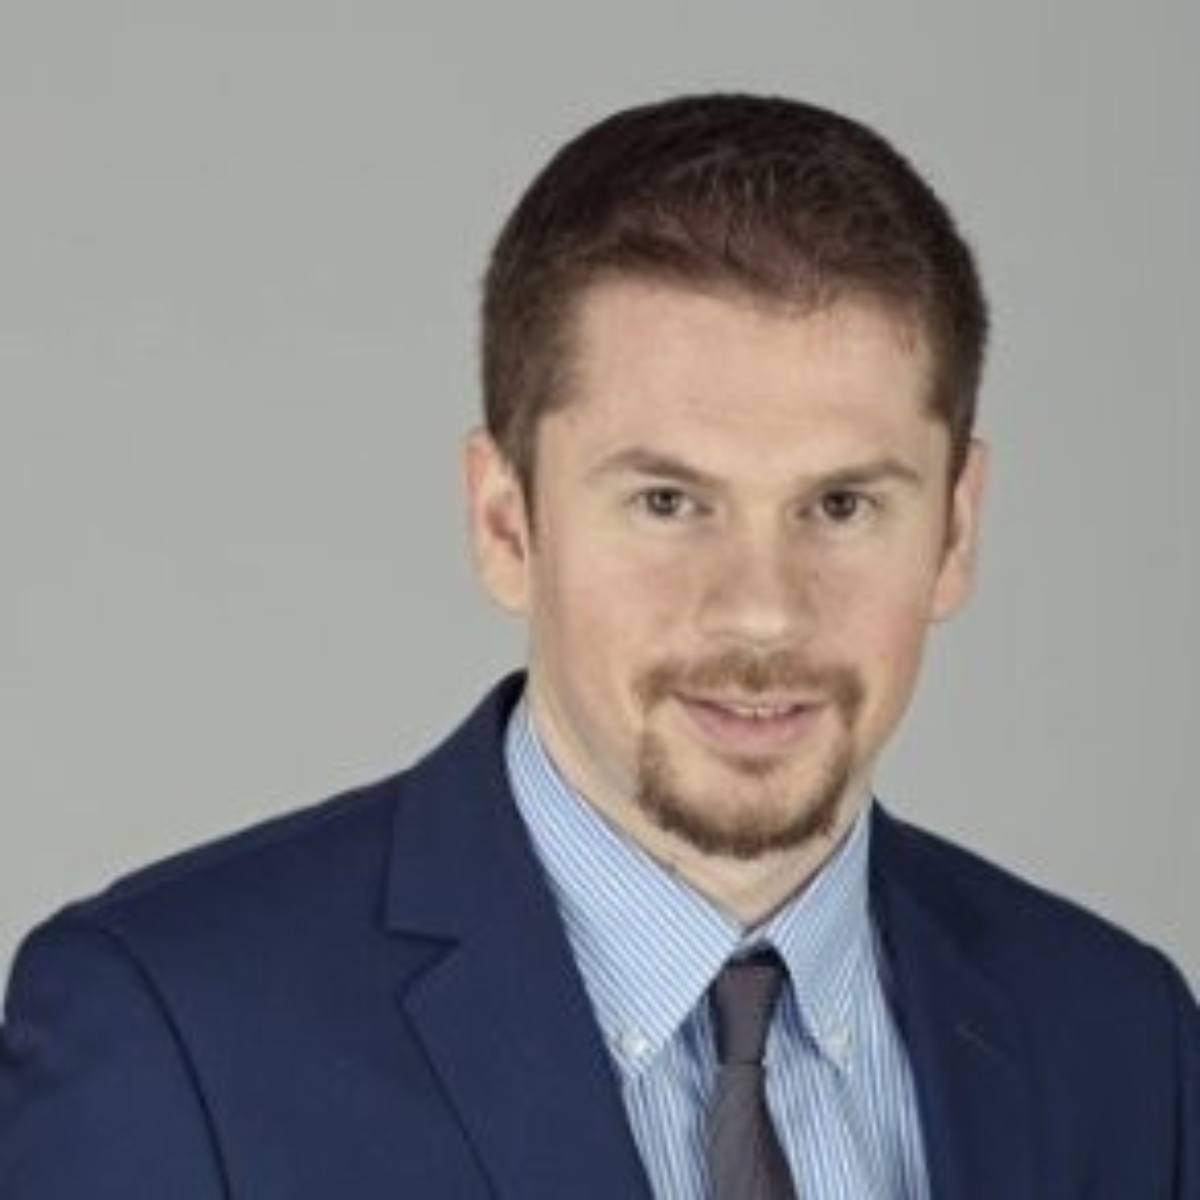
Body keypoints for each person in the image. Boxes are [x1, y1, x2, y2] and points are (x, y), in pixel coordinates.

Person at [0, 93, 1195, 1199]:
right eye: (668, 502)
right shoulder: (173, 1032)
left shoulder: (1125, 1041)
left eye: (841, 505)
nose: (762, 612)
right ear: (505, 522)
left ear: (955, 530)